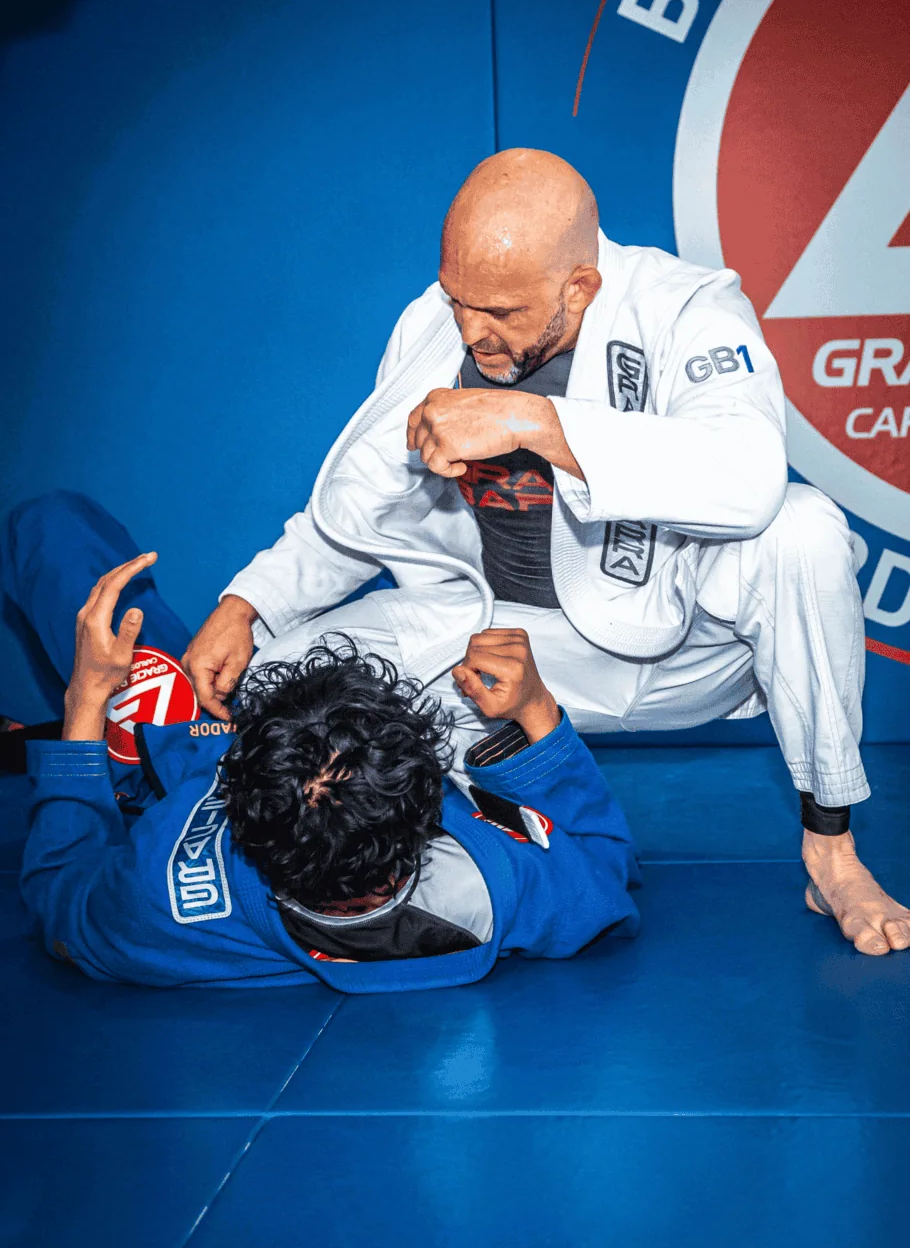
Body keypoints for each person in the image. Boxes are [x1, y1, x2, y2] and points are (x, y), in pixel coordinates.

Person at [183, 147, 910, 959]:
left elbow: (748, 475)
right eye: (459, 300)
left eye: (498, 312)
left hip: (686, 641)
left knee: (803, 531)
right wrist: (246, 605)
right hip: (511, 649)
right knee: (289, 672)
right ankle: (414, 858)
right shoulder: (433, 328)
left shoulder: (684, 309)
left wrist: (531, 422)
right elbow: (358, 509)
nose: (471, 330)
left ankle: (832, 854)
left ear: (580, 288)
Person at [2, 491, 640, 990]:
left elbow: (59, 897)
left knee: (48, 524)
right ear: (425, 815)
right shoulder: (497, 888)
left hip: (150, 747)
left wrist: (85, 702)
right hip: (202, 747)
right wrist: (536, 710)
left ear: (238, 805)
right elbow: (608, 863)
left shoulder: (158, 902)